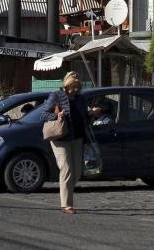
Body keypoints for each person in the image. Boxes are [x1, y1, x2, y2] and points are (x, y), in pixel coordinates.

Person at [42, 71, 91, 214]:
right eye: (73, 86)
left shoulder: (81, 99)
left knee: (77, 172)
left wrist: (91, 114)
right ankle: (66, 204)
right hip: (60, 137)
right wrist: (57, 114)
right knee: (67, 169)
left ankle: (65, 189)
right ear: (66, 85)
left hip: (77, 138)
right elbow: (43, 114)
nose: (75, 89)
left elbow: (84, 118)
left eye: (78, 86)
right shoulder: (56, 96)